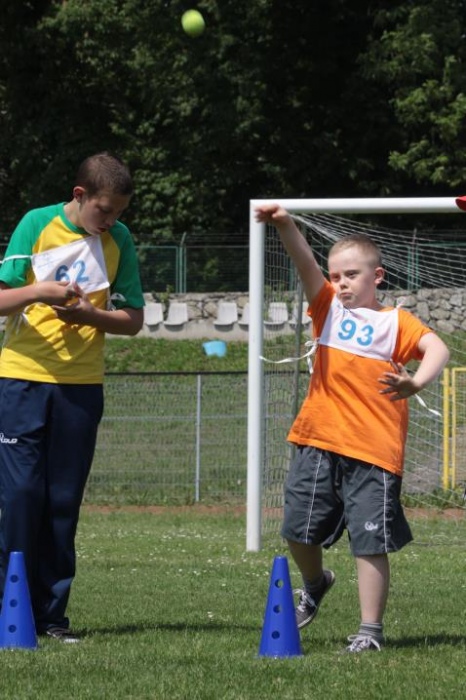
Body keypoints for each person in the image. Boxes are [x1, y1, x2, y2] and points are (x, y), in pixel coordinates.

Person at [255, 203, 450, 653]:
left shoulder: (396, 322)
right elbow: (304, 262)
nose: (341, 283)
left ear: (376, 277)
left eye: (351, 275)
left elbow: (437, 348)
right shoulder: (326, 308)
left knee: (369, 541)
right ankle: (315, 582)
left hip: (374, 452)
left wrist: (416, 381)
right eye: (336, 276)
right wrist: (285, 223)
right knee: (296, 529)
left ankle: (369, 632)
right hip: (316, 440)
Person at [0, 152, 145, 643]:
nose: (111, 221)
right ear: (80, 196)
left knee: (62, 501)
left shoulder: (119, 240)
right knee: (21, 496)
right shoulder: (36, 224)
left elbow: (133, 320)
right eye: (104, 210)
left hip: (81, 388)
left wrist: (89, 316)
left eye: (119, 213)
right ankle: (10, 610)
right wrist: (38, 292)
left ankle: (52, 618)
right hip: (21, 379)